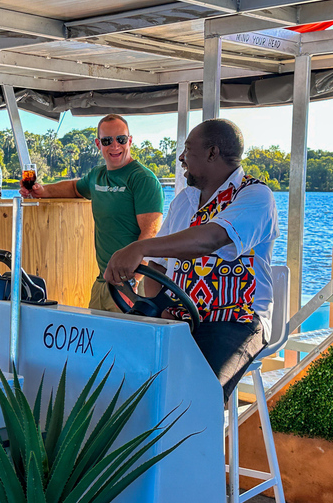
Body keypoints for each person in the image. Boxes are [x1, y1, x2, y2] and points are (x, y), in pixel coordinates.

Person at [104, 118, 279, 399]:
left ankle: (194, 439)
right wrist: (161, 308)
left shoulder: (256, 196)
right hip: (182, 312)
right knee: (123, 371)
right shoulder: (184, 200)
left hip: (236, 318)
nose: (181, 157)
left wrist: (140, 247)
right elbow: (159, 267)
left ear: (212, 152)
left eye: (188, 149)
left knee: (197, 392)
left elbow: (210, 239)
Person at [20, 114, 164, 312]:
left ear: (130, 140)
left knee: (121, 341)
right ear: (98, 144)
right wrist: (42, 191)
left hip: (130, 285)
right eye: (107, 140)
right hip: (102, 281)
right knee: (93, 340)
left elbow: (150, 235)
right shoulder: (97, 175)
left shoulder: (143, 179)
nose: (115, 146)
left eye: (121, 139)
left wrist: (134, 281)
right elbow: (74, 188)